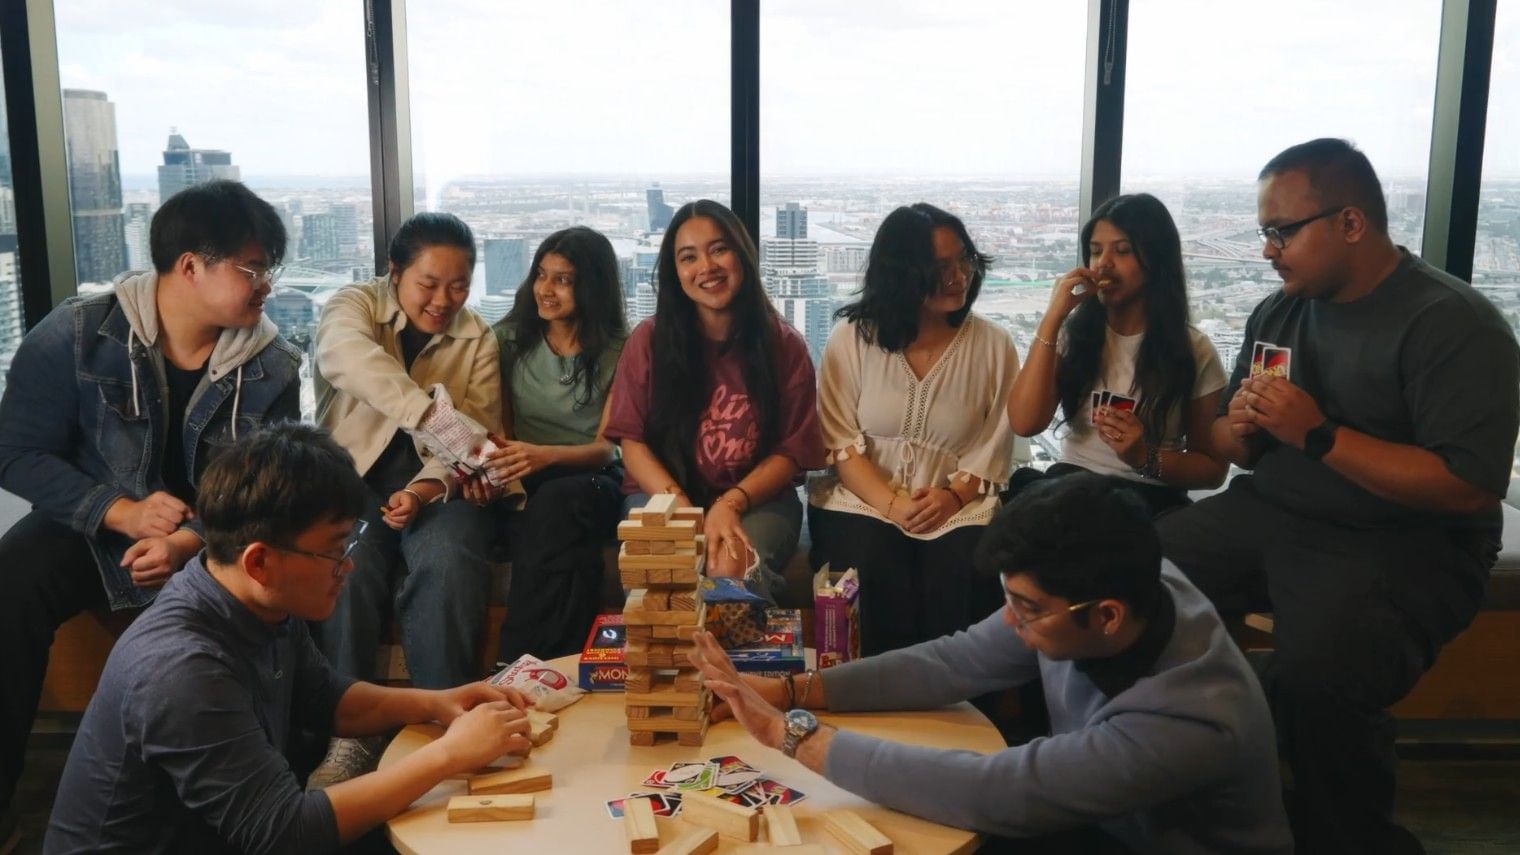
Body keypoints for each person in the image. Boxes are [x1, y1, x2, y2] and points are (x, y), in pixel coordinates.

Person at [1156, 138, 1520, 854]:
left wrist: (1317, 433)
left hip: (1407, 539)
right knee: (1132, 574)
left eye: (1281, 231)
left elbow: (1467, 485)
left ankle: (1344, 831)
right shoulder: (1280, 311)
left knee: (1320, 676)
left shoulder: (1452, 323)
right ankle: (1189, 783)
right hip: (1278, 507)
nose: (1267, 250)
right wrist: (1240, 427)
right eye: (1264, 232)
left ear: (1351, 223)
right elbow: (1238, 452)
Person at [689, 472, 1293, 854]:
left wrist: (791, 735)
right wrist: (793, 689)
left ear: (1106, 616)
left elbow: (996, 791)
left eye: (1027, 609)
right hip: (1105, 819)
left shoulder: (1190, 719)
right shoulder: (1126, 578)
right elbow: (956, 660)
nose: (1009, 622)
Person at [44, 423, 533, 853]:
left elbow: (328, 698)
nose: (348, 567)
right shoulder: (182, 669)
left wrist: (438, 703)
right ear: (260, 560)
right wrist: (447, 755)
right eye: (334, 552)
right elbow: (286, 833)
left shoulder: (256, 597)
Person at [0, 180, 301, 849]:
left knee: (264, 594)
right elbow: (16, 451)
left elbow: (266, 487)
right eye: (252, 269)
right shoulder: (79, 334)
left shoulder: (272, 365)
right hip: (90, 526)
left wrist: (191, 540)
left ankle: (264, 798)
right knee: (11, 578)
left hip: (207, 543)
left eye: (268, 270)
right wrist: (120, 510)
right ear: (190, 265)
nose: (266, 286)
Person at [310, 211, 517, 786]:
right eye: (429, 283)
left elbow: (474, 432)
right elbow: (349, 360)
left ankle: (445, 725)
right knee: (344, 570)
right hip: (350, 484)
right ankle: (352, 733)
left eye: (458, 286)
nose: (443, 300)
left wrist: (424, 490)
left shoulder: (477, 337)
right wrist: (428, 415)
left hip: (440, 488)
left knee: (449, 563)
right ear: (394, 271)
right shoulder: (352, 306)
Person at [809, 203, 1018, 655]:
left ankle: (958, 710)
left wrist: (952, 496)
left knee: (963, 568)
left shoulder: (994, 345)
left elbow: (995, 442)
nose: (958, 275)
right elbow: (840, 441)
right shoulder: (852, 337)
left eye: (963, 259)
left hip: (956, 501)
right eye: (939, 267)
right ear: (901, 274)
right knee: (869, 562)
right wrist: (892, 504)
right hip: (862, 498)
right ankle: (874, 700)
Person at [604, 200, 825, 600]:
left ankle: (745, 664)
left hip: (758, 499)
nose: (706, 266)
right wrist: (682, 508)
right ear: (676, 273)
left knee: (729, 576)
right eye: (689, 257)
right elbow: (631, 443)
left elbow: (792, 451)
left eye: (719, 249)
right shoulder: (649, 341)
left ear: (741, 253)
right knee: (663, 582)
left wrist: (730, 504)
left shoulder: (784, 345)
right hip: (662, 492)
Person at [1005, 193, 1228, 516]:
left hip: (1148, 497)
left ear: (1155, 261)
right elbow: (1024, 423)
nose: (1103, 263)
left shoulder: (1194, 349)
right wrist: (1053, 319)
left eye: (1122, 251)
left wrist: (1143, 457)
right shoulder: (1076, 336)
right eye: (1095, 252)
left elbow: (1212, 469)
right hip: (1072, 483)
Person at [465, 226, 629, 662]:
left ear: (591, 286)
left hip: (589, 478)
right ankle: (562, 663)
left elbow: (605, 448)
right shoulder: (508, 341)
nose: (546, 290)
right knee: (559, 542)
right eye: (541, 274)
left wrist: (545, 456)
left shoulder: (620, 350)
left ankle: (517, 660)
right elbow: (501, 430)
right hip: (522, 474)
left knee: (556, 504)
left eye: (563, 279)